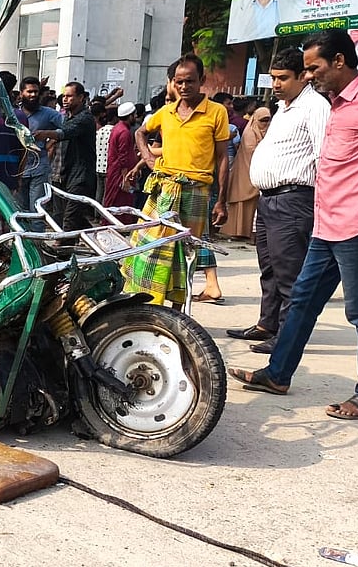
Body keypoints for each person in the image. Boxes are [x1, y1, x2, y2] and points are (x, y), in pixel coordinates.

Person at [228, 29, 358, 420]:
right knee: (301, 302)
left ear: (339, 61)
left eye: (313, 68)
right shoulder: (336, 103)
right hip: (327, 224)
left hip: (356, 225)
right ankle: (277, 374)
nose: (308, 76)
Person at [226, 49, 332, 354]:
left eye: (283, 78)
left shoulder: (315, 107)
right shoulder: (284, 107)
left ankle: (287, 336)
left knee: (289, 273)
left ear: (303, 76)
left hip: (293, 199)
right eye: (273, 77)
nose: (275, 84)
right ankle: (267, 324)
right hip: (269, 199)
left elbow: (322, 156)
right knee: (269, 268)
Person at [124, 54, 230, 306]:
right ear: (173, 82)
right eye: (178, 82)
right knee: (147, 251)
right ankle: (148, 305)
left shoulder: (217, 112)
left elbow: (223, 158)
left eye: (189, 81)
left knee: (185, 257)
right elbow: (141, 132)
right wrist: (148, 159)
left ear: (201, 80)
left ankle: (177, 310)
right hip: (164, 189)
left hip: (196, 191)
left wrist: (222, 201)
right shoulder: (166, 112)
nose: (184, 87)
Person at [35, 81, 96, 231]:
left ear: (81, 98)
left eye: (70, 96)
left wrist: (45, 134)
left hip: (81, 174)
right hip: (64, 173)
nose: (65, 99)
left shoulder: (85, 118)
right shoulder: (67, 117)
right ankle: (91, 237)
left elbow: (64, 133)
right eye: (64, 96)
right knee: (67, 215)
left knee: (70, 215)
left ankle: (62, 248)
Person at [14, 76, 62, 226]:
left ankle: (37, 245)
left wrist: (50, 136)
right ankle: (23, 245)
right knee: (19, 211)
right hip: (18, 169)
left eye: (36, 91)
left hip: (39, 168)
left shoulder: (49, 113)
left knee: (37, 210)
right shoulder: (13, 114)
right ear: (21, 93)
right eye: (29, 92)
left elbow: (67, 128)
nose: (33, 95)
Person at [221, 106, 270, 241]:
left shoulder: (268, 133)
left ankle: (250, 231)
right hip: (245, 170)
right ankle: (238, 231)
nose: (266, 124)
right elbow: (252, 152)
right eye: (263, 120)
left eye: (268, 120)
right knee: (243, 199)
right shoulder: (250, 133)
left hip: (259, 172)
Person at [103, 101, 139, 222]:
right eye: (134, 115)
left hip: (116, 171)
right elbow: (123, 157)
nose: (135, 117)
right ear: (130, 116)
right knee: (119, 201)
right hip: (120, 173)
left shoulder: (118, 128)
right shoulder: (124, 132)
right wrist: (125, 178)